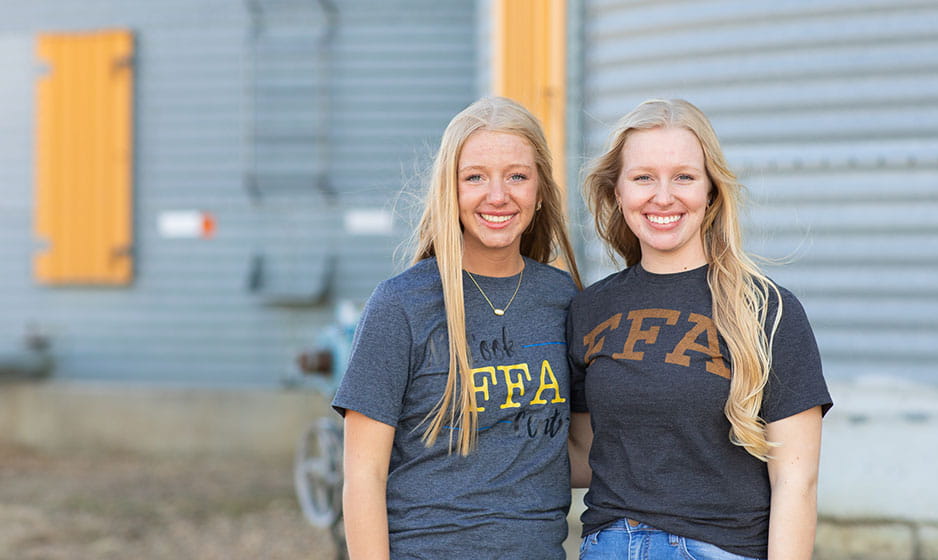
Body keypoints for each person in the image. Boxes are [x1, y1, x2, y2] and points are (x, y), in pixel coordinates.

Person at [567, 99, 832, 560]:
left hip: (717, 549)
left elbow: (796, 481)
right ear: (617, 191)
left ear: (711, 191)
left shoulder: (767, 309)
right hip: (608, 545)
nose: (663, 196)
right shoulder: (590, 308)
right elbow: (588, 454)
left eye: (684, 177)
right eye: (643, 177)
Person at [333, 96, 582, 560]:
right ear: (450, 189)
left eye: (517, 176)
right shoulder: (401, 304)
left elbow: (577, 453)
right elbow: (364, 475)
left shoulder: (563, 299)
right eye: (475, 177)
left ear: (540, 190)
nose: (497, 195)